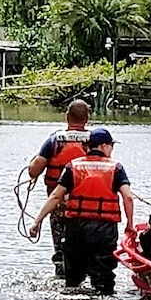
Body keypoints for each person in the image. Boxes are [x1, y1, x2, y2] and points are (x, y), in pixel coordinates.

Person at [29, 128, 135, 295]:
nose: (112, 150)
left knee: (73, 280)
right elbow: (128, 197)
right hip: (104, 229)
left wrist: (37, 221)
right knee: (103, 279)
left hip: (76, 227)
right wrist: (130, 224)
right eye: (111, 146)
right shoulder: (116, 168)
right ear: (103, 146)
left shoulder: (73, 166)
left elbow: (56, 196)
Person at [27, 99, 92, 276]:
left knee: (61, 248)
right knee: (84, 249)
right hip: (88, 206)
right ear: (87, 119)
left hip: (58, 204)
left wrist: (34, 161)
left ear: (66, 117)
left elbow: (33, 171)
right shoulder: (95, 141)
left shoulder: (54, 141)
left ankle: (62, 275)